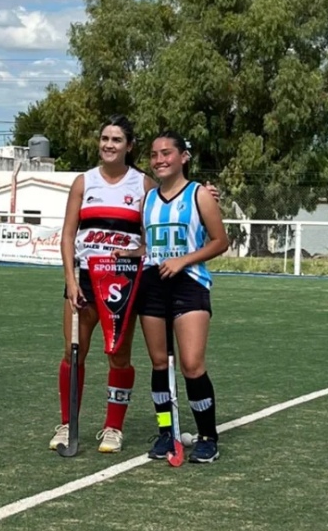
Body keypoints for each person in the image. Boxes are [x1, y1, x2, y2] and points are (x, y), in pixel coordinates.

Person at [51, 115, 154, 455]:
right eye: (105, 138)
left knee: (118, 357)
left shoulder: (143, 185)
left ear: (129, 146)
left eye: (116, 140)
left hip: (121, 284)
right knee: (72, 352)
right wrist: (70, 280)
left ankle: (113, 428)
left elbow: (152, 241)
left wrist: (134, 251)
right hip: (82, 282)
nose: (109, 145)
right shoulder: (84, 182)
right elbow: (68, 235)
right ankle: (68, 424)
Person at [138, 130, 229, 463]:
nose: (160, 159)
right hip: (152, 284)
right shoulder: (147, 199)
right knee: (160, 364)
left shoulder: (199, 195)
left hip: (190, 283)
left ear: (183, 157)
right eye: (154, 154)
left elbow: (220, 241)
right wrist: (130, 253)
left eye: (167, 153)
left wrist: (183, 261)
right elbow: (147, 244)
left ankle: (207, 436)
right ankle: (166, 431)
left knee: (191, 364)